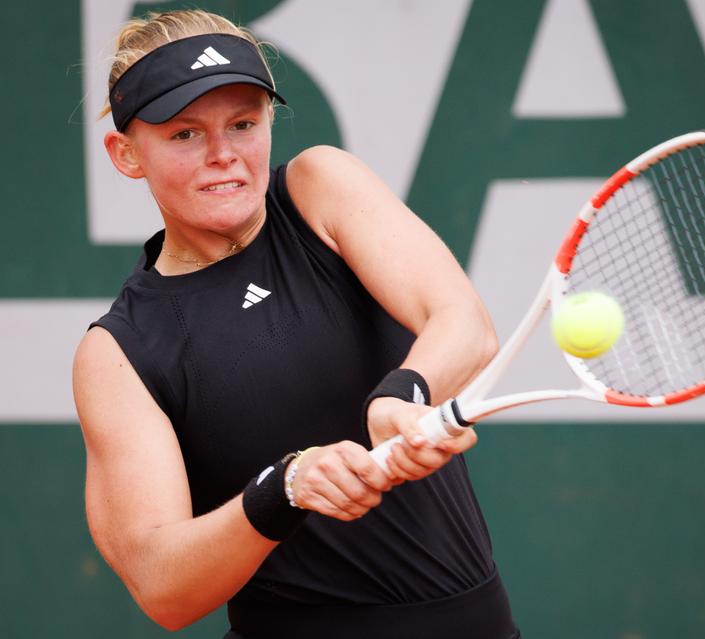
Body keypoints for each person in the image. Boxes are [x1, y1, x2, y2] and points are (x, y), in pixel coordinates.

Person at [73, 9, 519, 638]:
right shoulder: (118, 352)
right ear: (126, 153)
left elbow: (463, 324)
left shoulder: (320, 188)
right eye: (184, 135)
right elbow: (162, 587)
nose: (224, 155)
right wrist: (283, 490)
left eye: (243, 124)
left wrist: (406, 391)